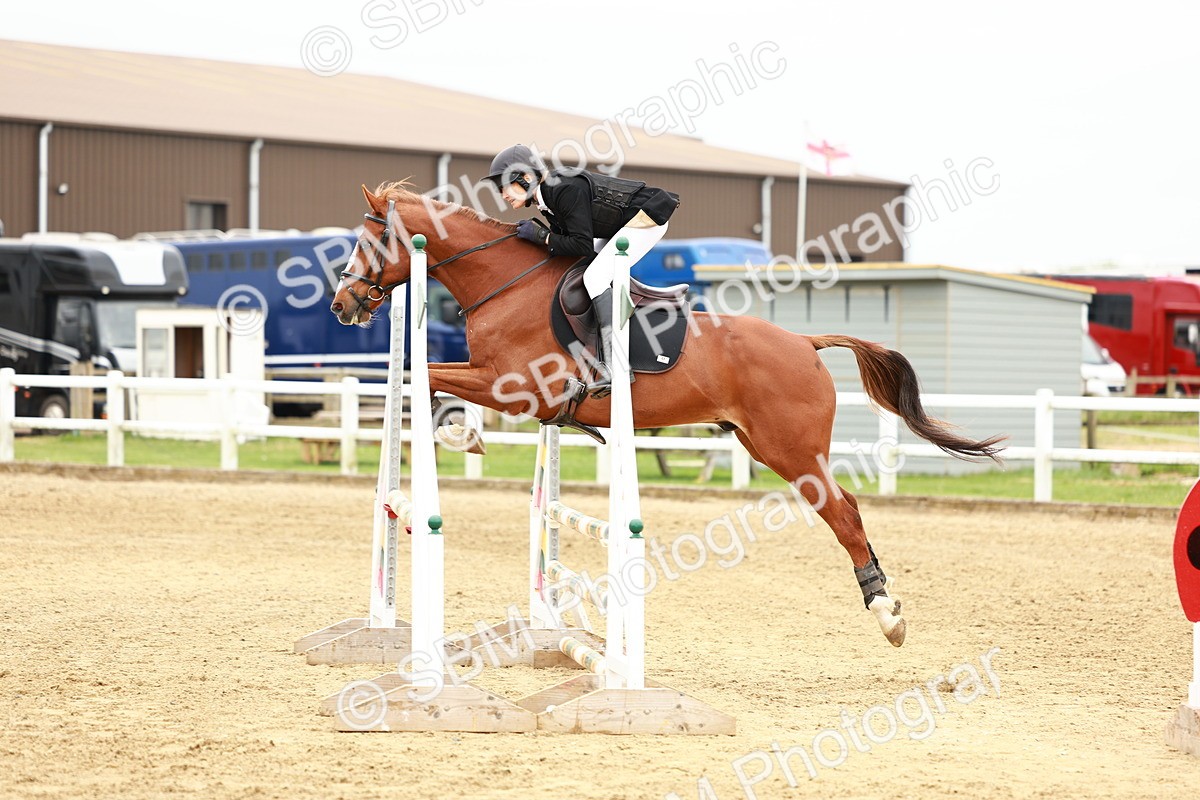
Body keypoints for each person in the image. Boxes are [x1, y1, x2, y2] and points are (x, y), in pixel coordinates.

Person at [483, 144, 679, 398]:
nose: (503, 196)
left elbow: (581, 244)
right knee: (586, 271)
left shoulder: (563, 189)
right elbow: (578, 251)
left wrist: (542, 236)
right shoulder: (547, 198)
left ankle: (617, 364)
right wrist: (543, 238)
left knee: (595, 278)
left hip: (646, 220)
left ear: (527, 177)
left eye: (505, 186)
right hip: (622, 226)